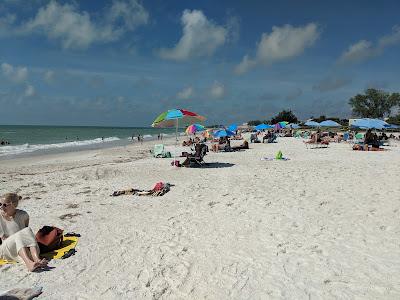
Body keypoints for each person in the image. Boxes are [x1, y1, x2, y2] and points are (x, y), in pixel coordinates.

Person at [0, 193, 48, 271]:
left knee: (26, 230)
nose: (1, 207)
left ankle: (36, 259)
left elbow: (26, 236)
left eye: (4, 205)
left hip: (23, 247)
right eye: (0, 204)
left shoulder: (23, 215)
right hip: (6, 248)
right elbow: (4, 238)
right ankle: (29, 263)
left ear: (13, 205)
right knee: (19, 235)